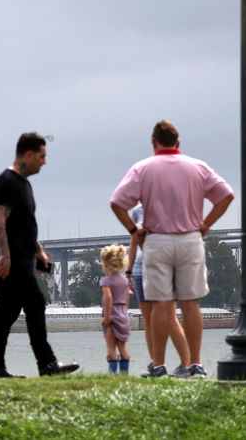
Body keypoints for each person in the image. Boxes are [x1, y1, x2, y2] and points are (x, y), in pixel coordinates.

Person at [110, 120, 234, 378]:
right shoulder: (198, 167)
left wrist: (134, 230)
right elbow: (226, 195)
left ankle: (158, 364)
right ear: (178, 142)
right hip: (190, 239)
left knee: (161, 304)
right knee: (191, 303)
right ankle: (196, 364)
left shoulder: (142, 168)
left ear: (153, 142)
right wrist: (206, 224)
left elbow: (117, 203)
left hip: (157, 241)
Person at [0, 132, 79, 380]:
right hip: (11, 259)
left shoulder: (24, 185)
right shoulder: (6, 182)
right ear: (28, 154)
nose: (44, 162)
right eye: (42, 156)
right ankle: (47, 363)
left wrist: (39, 251)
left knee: (7, 312)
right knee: (35, 303)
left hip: (22, 257)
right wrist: (5, 256)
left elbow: (24, 223)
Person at [126, 205, 191, 378]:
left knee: (170, 317)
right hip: (140, 269)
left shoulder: (171, 205)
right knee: (149, 321)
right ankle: (156, 365)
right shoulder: (137, 211)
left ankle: (187, 364)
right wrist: (129, 270)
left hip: (164, 267)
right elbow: (133, 241)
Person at [100, 244, 131, 374]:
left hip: (112, 315)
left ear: (106, 264)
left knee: (111, 348)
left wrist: (107, 317)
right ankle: (124, 374)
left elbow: (108, 298)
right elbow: (128, 295)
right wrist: (124, 311)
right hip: (123, 314)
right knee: (122, 347)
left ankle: (112, 375)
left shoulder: (106, 281)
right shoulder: (125, 280)